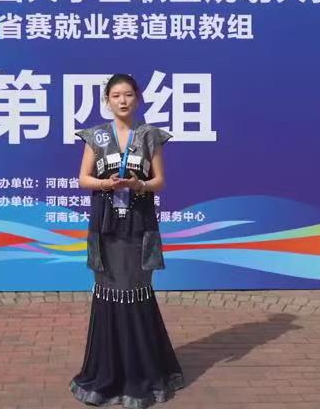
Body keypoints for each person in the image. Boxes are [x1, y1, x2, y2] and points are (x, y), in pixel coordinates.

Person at [69, 74, 184, 408]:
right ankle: (106, 373)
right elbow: (83, 178)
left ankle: (144, 374)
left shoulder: (149, 136)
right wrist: (105, 184)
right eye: (116, 95)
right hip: (105, 227)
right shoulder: (95, 136)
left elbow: (160, 181)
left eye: (129, 94)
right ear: (107, 100)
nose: (123, 100)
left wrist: (139, 186)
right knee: (108, 291)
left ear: (138, 99)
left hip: (138, 226)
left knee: (136, 291)